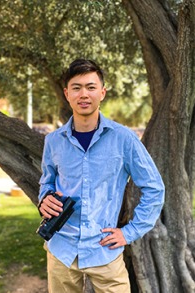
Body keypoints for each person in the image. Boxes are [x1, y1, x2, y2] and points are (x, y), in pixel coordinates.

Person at [38, 59, 165, 293]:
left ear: (102, 93)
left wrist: (130, 232)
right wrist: (44, 198)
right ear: (67, 93)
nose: (83, 94)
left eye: (91, 87)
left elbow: (154, 188)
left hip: (104, 249)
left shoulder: (124, 139)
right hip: (62, 250)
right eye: (76, 88)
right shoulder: (53, 141)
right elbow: (47, 181)